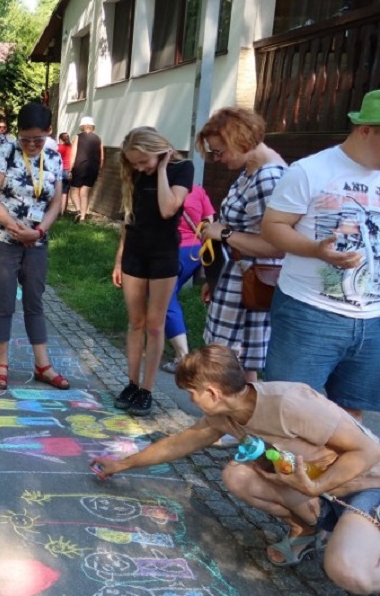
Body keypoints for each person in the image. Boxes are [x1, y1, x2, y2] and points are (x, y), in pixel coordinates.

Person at [93, 344, 380, 593]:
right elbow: (177, 444)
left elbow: (369, 450)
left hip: (365, 487)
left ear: (213, 393)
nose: (191, 400)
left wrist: (316, 487)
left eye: (191, 393)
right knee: (237, 474)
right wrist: (121, 464)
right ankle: (310, 530)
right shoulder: (226, 415)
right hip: (319, 491)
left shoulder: (290, 402)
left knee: (348, 571)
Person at [261, 89, 380, 420]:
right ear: (366, 129)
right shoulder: (309, 170)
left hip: (373, 318)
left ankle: (329, 472)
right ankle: (279, 471)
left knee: (351, 412)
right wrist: (316, 250)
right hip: (309, 313)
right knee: (290, 409)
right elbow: (273, 227)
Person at [194, 107, 286, 383]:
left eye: (220, 152)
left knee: (229, 365)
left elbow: (276, 246)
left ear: (240, 140)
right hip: (236, 276)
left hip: (251, 283)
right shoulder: (251, 169)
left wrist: (222, 233)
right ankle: (234, 423)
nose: (217, 159)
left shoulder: (269, 177)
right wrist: (216, 276)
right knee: (236, 366)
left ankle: (231, 421)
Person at [0, 102, 67, 391]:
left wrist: (39, 230)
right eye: (25, 138)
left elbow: (57, 202)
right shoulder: (5, 152)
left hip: (37, 241)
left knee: (35, 301)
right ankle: (2, 363)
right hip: (4, 240)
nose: (31, 145)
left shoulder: (55, 158)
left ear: (48, 132)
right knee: (5, 301)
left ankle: (43, 365)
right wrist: (12, 227)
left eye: (37, 139)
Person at [111, 127, 193, 416]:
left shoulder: (182, 168)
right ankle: (131, 383)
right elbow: (129, 219)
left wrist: (160, 171)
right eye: (134, 163)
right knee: (135, 322)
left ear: (159, 152)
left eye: (143, 161)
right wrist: (120, 259)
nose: (138, 167)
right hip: (135, 253)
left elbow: (168, 208)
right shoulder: (133, 172)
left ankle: (147, 388)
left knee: (155, 325)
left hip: (163, 255)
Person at [162, 185, 215, 373]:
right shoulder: (198, 190)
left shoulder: (162, 189)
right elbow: (209, 220)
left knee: (165, 299)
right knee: (169, 294)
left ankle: (182, 357)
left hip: (172, 251)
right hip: (194, 251)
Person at [69, 116, 103, 223]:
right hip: (93, 168)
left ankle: (78, 211)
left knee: (74, 191)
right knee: (85, 192)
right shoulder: (98, 139)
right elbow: (101, 156)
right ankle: (83, 217)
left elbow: (73, 154)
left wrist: (70, 169)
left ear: (82, 126)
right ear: (92, 126)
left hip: (79, 166)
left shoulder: (78, 137)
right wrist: (99, 169)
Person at [57, 132, 73, 216]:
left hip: (60, 170)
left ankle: (57, 210)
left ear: (60, 139)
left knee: (58, 192)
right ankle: (63, 212)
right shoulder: (71, 147)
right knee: (65, 192)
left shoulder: (58, 148)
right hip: (68, 171)